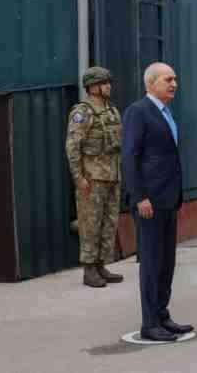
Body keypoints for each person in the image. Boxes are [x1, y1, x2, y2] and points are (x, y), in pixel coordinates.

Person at [121, 62, 194, 342]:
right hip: (149, 202)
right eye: (168, 79)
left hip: (167, 199)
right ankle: (150, 323)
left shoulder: (166, 112)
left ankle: (162, 315)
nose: (174, 84)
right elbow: (129, 157)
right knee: (152, 263)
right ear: (151, 83)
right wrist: (139, 196)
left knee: (166, 262)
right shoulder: (138, 112)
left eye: (175, 79)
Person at [65, 66, 124, 288]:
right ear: (92, 87)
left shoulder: (111, 111)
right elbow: (72, 147)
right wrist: (78, 178)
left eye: (108, 83)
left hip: (112, 176)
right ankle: (89, 269)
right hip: (92, 179)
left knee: (109, 222)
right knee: (90, 223)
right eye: (103, 83)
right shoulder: (83, 112)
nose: (108, 86)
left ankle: (101, 264)